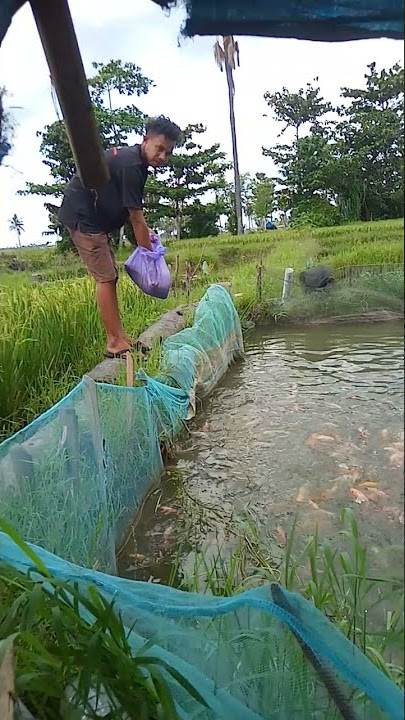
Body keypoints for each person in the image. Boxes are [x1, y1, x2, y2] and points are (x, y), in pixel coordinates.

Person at [58, 116, 182, 358]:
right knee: (105, 278)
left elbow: (126, 206)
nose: (162, 157)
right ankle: (114, 341)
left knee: (110, 277)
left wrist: (148, 236)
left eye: (167, 153)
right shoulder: (132, 166)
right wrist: (150, 260)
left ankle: (119, 335)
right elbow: (136, 217)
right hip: (84, 217)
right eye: (159, 149)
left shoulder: (135, 162)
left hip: (92, 215)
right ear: (145, 140)